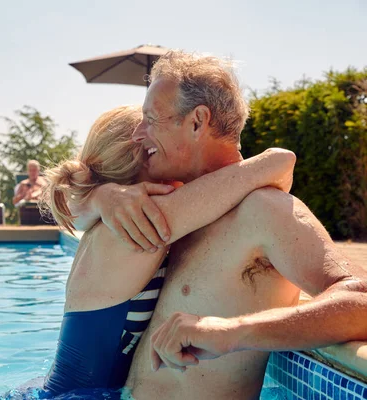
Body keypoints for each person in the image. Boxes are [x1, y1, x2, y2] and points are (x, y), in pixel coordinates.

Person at [69, 50, 367, 399]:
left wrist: (231, 331)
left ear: (197, 121)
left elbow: (359, 300)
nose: (139, 133)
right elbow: (68, 199)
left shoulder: (264, 211)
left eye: (151, 118)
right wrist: (100, 196)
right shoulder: (178, 211)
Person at [27, 105, 296, 398]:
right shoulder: (134, 229)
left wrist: (98, 196)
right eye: (160, 147)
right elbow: (277, 164)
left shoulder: (112, 223)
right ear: (145, 159)